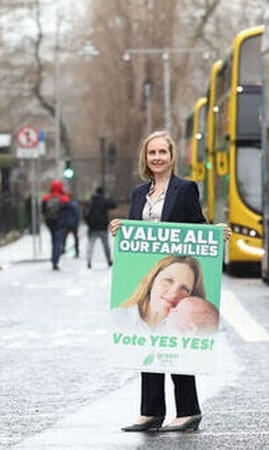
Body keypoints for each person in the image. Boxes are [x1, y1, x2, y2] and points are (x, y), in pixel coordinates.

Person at [110, 130, 229, 433]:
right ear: (145, 158)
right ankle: (150, 412)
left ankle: (188, 411)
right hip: (152, 278)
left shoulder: (186, 189)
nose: (157, 158)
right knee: (148, 338)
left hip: (176, 273)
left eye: (163, 152)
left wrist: (215, 232)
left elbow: (197, 226)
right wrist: (121, 226)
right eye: (152, 153)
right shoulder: (139, 193)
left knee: (176, 342)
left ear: (172, 156)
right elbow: (139, 233)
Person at [113, 255, 207, 331]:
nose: (174, 294)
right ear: (151, 282)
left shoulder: (191, 330)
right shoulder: (116, 319)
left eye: (184, 289)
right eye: (168, 281)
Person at [41, 179, 72, 270]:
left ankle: (53, 258)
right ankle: (55, 260)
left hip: (50, 222)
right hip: (61, 223)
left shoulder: (46, 198)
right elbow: (70, 210)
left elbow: (43, 210)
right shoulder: (64, 199)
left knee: (54, 240)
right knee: (58, 242)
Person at [85, 186, 116, 269]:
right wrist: (111, 197)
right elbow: (114, 205)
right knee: (106, 246)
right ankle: (109, 260)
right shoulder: (104, 201)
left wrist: (88, 223)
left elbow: (86, 213)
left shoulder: (91, 201)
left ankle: (89, 261)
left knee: (90, 245)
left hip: (92, 227)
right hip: (102, 227)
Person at [60, 191, 80, 258]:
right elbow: (77, 214)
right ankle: (77, 251)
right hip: (73, 224)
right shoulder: (74, 204)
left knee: (64, 237)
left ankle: (63, 250)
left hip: (67, 224)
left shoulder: (65, 203)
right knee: (75, 238)